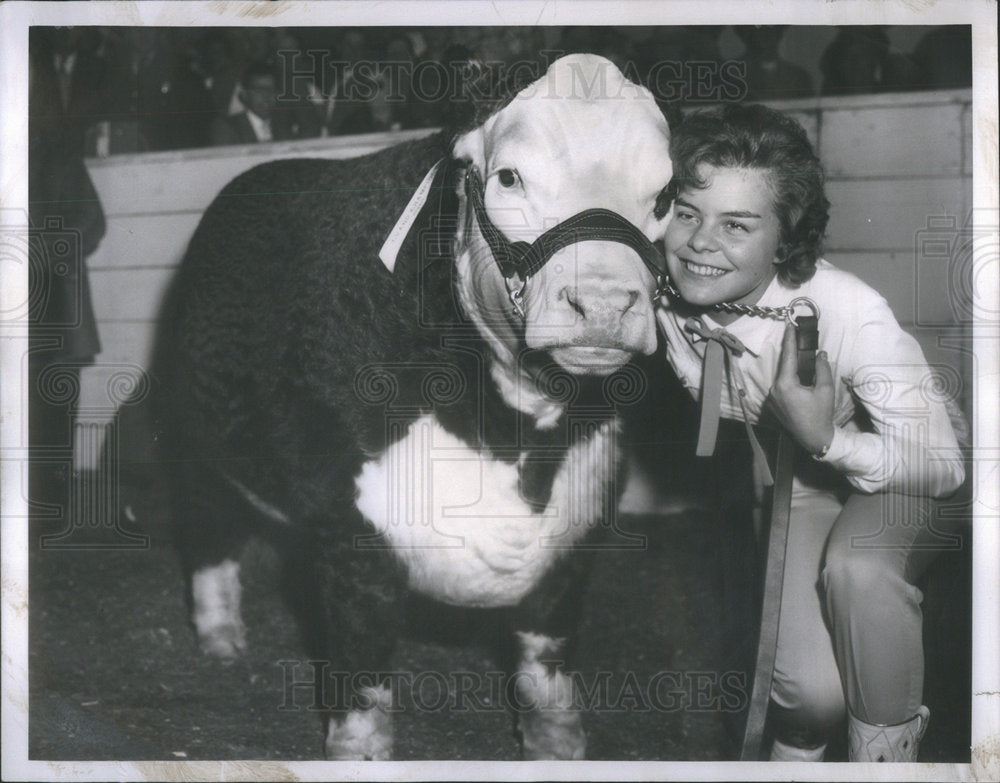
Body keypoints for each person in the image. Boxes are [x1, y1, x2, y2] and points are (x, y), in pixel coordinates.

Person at [654, 104, 965, 762]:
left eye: (737, 224)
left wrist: (832, 442)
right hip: (802, 474)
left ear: (787, 237)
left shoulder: (846, 308)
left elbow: (944, 462)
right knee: (808, 696)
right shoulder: (656, 290)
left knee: (860, 569)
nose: (700, 241)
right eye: (687, 211)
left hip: (914, 467)